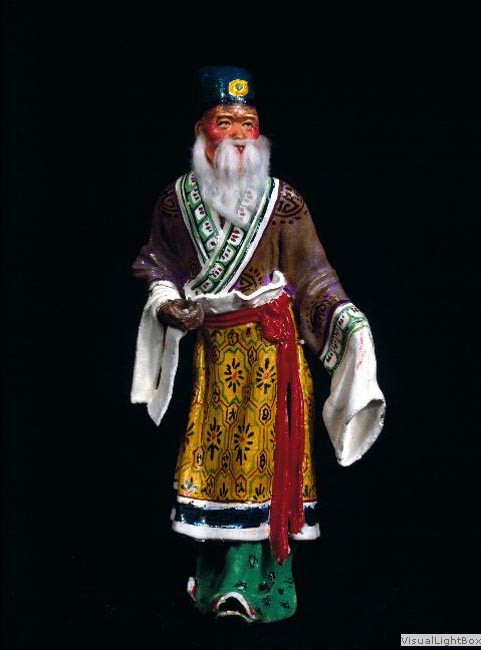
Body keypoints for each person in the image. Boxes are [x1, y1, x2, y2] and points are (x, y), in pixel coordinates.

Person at [131, 65, 386, 623]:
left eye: (248, 122)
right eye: (225, 122)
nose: (240, 135)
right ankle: (212, 578)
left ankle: (260, 589)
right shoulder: (175, 203)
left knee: (266, 465)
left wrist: (347, 319)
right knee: (215, 464)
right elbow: (157, 262)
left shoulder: (283, 202)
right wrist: (168, 302)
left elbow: (315, 277)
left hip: (272, 357)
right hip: (215, 359)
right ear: (201, 130)